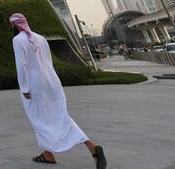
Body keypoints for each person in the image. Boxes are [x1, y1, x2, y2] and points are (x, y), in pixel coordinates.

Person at [9, 13, 107, 167]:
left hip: (35, 84)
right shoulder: (40, 38)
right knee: (60, 117)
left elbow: (21, 66)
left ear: (13, 25)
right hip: (52, 81)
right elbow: (48, 62)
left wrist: (24, 87)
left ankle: (93, 147)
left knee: (39, 119)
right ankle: (49, 154)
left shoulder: (17, 40)